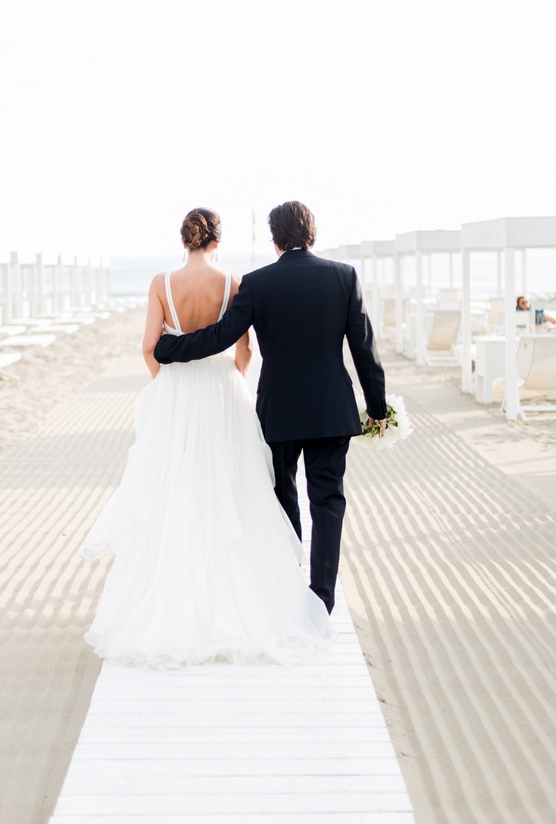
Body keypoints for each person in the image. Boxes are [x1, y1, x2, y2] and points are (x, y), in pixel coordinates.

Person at [78, 207, 335, 670]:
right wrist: (231, 380)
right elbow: (243, 349)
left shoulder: (161, 282)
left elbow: (148, 346)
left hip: (176, 393)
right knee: (232, 489)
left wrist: (166, 385)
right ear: (216, 242)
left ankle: (177, 594)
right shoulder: (235, 281)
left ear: (185, 241)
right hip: (221, 391)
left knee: (177, 490)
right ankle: (239, 595)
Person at [155, 201, 387, 614]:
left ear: (275, 239)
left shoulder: (258, 284)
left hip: (278, 411)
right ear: (311, 234)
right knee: (328, 502)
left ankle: (288, 585)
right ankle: (321, 601)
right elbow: (364, 348)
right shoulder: (344, 277)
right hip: (332, 410)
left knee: (282, 496)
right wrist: (377, 407)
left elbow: (221, 336)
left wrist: (169, 348)